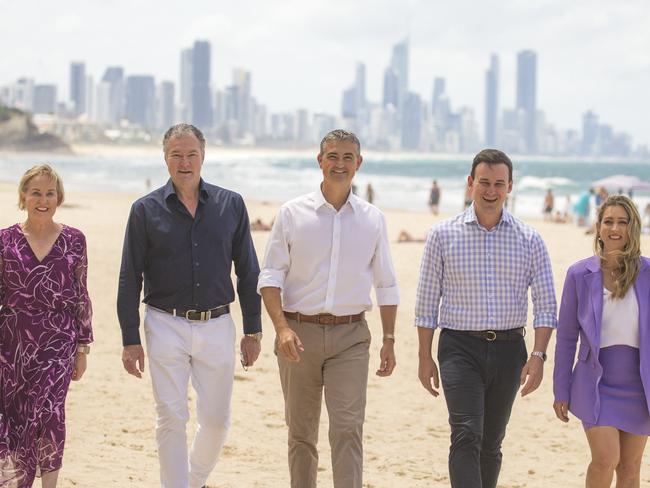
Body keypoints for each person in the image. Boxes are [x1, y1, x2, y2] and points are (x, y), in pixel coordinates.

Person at [117, 123, 262, 488]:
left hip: (217, 325)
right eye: (176, 155)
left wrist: (253, 330)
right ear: (165, 158)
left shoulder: (232, 204)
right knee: (170, 416)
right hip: (165, 323)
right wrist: (130, 338)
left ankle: (192, 481)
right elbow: (129, 276)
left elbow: (248, 270)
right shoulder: (144, 210)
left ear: (203, 156)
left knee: (215, 421)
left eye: (191, 154)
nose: (184, 162)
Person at [258, 129, 399, 488]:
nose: (339, 164)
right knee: (301, 433)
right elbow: (270, 276)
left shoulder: (372, 219)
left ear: (359, 164)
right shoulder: (291, 214)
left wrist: (390, 339)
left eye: (347, 157)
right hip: (297, 335)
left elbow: (386, 283)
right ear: (319, 161)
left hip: (351, 337)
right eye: (332, 156)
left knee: (348, 428)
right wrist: (282, 328)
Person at [415, 148, 557, 488]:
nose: (490, 191)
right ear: (469, 184)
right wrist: (424, 356)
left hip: (510, 350)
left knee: (492, 442)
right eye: (483, 182)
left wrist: (537, 356)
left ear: (510, 186)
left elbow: (546, 304)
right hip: (458, 348)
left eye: (498, 183)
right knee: (466, 433)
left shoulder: (530, 239)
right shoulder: (442, 235)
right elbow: (425, 303)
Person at [0, 164, 93, 488]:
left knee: (51, 412)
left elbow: (81, 295)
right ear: (23, 196)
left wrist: (82, 347)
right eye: (36, 192)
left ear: (59, 197)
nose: (43, 199)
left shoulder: (74, 240)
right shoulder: (5, 240)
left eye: (50, 193)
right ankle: (16, 481)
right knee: (16, 415)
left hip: (58, 340)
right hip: (12, 343)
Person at [553, 195, 650, 487]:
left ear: (633, 227)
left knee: (630, 467)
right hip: (596, 383)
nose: (615, 228)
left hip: (640, 385)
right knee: (605, 459)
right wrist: (561, 389)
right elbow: (567, 337)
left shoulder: (648, 273)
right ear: (598, 227)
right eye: (608, 221)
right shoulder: (579, 274)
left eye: (623, 221)